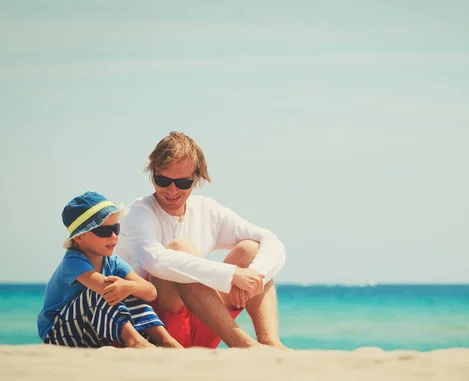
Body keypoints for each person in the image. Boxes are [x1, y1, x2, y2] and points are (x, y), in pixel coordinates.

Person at [116, 131, 287, 348]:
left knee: (250, 251)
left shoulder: (206, 210)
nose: (171, 190)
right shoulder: (138, 213)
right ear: (152, 175)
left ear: (196, 178)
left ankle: (271, 343)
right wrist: (232, 275)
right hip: (159, 329)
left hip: (204, 321)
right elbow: (156, 261)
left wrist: (255, 276)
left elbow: (271, 241)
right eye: (163, 180)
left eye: (182, 183)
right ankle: (243, 344)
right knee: (179, 249)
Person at [37, 191, 182, 348]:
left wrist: (130, 287)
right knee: (109, 290)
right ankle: (135, 341)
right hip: (59, 335)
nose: (113, 236)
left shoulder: (112, 262)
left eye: (116, 228)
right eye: (104, 231)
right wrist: (125, 287)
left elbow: (151, 292)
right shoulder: (73, 261)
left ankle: (166, 340)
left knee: (128, 290)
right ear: (79, 237)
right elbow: (104, 288)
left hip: (93, 333)